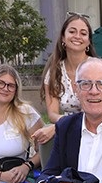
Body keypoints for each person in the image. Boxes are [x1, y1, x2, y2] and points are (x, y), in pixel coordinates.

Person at [35, 13, 97, 146]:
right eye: (72, 31)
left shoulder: (97, 69)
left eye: (83, 33)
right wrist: (63, 125)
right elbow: (52, 114)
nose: (77, 36)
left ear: (88, 41)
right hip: (68, 133)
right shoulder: (54, 71)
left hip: (96, 132)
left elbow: (95, 113)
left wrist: (58, 126)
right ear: (63, 37)